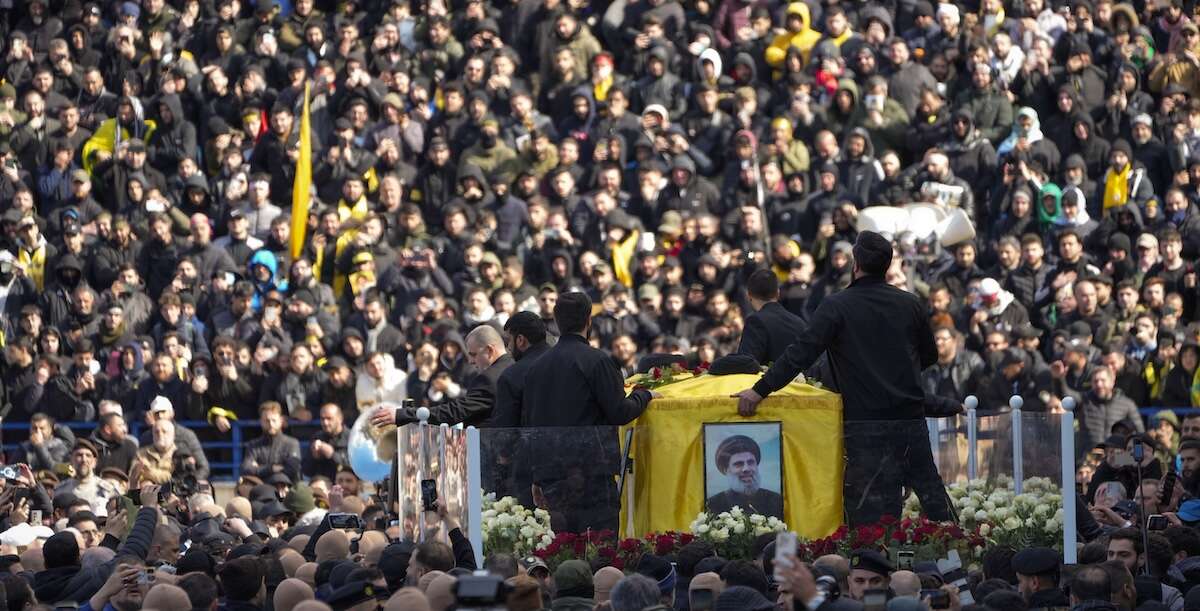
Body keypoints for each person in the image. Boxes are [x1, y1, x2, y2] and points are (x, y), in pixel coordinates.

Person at [732, 231, 952, 525]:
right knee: (934, 500)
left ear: (855, 263)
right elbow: (929, 357)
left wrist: (759, 390)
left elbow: (800, 355)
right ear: (887, 266)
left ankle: (875, 567)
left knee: (869, 516)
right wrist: (895, 372)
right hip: (909, 420)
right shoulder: (910, 304)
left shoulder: (837, 305)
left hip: (862, 424)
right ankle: (959, 563)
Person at [371, 325, 513, 427]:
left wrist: (403, 415)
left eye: (473, 355)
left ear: (489, 350)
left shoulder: (489, 378)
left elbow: (455, 412)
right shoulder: (513, 366)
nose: (470, 361)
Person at [491, 311, 551, 426]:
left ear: (520, 340)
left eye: (509, 340)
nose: (508, 347)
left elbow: (504, 430)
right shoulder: (567, 364)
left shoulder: (512, 376)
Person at [737, 268, 807, 364]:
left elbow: (746, 362)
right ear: (778, 293)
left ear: (749, 295)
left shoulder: (755, 321)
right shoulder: (799, 323)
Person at [704, 434, 784, 518]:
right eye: (738, 464)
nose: (746, 469)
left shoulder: (775, 500)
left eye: (751, 462)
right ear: (726, 470)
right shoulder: (714, 504)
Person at [53, 439, 119, 517]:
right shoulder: (60, 490)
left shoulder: (107, 490)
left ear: (94, 462)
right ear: (72, 460)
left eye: (88, 455)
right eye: (79, 455)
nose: (84, 460)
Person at [241, 401, 302, 482]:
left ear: (281, 420)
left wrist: (259, 468)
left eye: (274, 420)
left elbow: (293, 469)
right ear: (261, 422)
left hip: (286, 488)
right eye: (267, 420)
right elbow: (245, 468)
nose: (270, 424)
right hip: (261, 490)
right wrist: (271, 468)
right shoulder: (253, 445)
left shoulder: (292, 443)